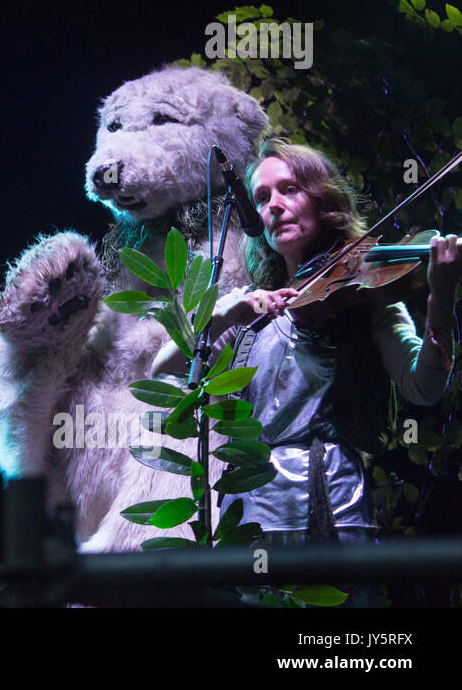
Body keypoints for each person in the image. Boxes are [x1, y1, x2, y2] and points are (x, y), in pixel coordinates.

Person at [151, 139, 458, 602]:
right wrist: (227, 311)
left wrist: (440, 300)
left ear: (322, 197)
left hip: (336, 504)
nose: (274, 205)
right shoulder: (254, 309)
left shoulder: (362, 296)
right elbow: (164, 370)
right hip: (252, 503)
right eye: (261, 197)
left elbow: (425, 386)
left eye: (289, 189)